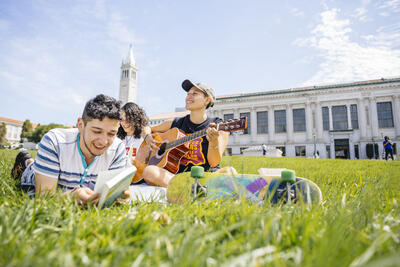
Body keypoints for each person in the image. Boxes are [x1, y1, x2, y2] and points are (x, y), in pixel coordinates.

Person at [11, 94, 129, 205]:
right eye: (97, 131)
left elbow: (108, 193)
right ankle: (26, 161)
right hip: (37, 175)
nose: (103, 141)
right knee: (32, 169)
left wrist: (116, 195)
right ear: (80, 125)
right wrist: (70, 197)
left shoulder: (118, 149)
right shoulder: (54, 141)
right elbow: (43, 197)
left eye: (111, 133)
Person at [142, 79, 236, 188]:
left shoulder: (218, 126)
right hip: (177, 176)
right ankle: (192, 189)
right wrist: (147, 137)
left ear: (207, 100)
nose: (188, 97)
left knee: (230, 171)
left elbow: (214, 163)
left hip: (206, 175)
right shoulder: (176, 122)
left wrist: (213, 141)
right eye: (188, 94)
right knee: (149, 171)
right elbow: (147, 128)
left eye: (194, 94)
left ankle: (188, 190)